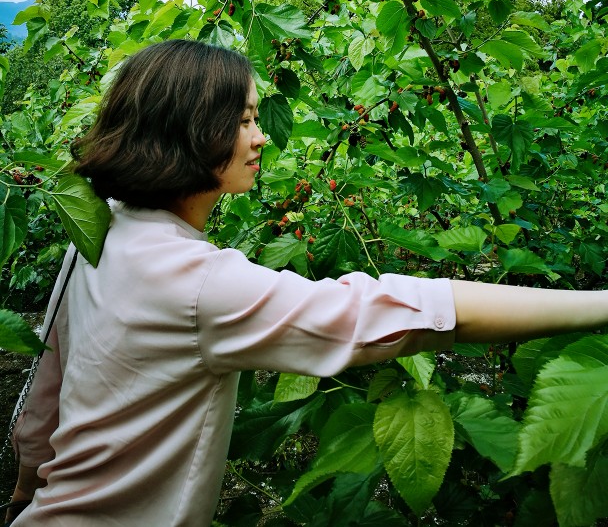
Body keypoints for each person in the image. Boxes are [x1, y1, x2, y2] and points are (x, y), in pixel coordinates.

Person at [6, 40, 608, 526]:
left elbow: (48, 386)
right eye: (242, 120)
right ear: (188, 130)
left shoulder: (100, 230)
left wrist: (29, 483)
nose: (260, 135)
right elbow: (394, 313)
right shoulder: (200, 285)